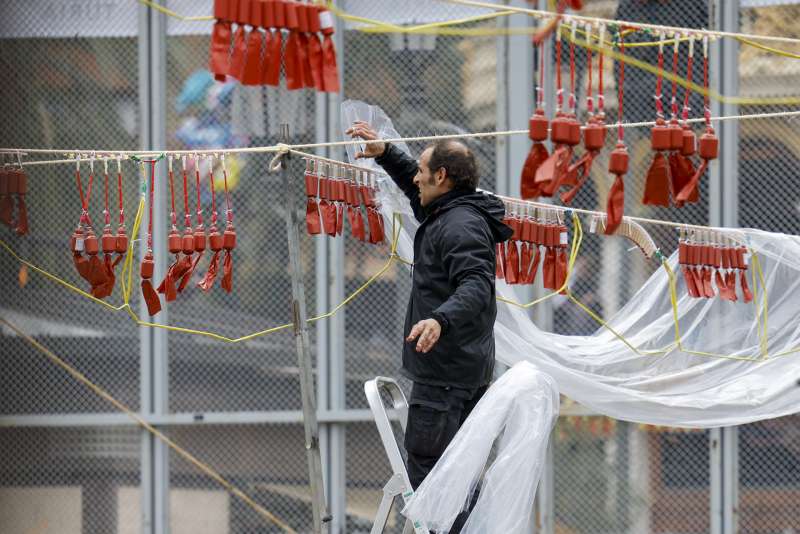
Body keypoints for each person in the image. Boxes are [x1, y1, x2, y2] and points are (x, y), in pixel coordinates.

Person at [346, 121, 513, 533]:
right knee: (455, 480)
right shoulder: (452, 212)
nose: (416, 176)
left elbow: (476, 285)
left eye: (423, 169)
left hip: (445, 380)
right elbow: (417, 194)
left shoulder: (458, 225)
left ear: (442, 177)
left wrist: (440, 318)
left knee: (436, 486)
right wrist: (387, 154)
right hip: (459, 372)